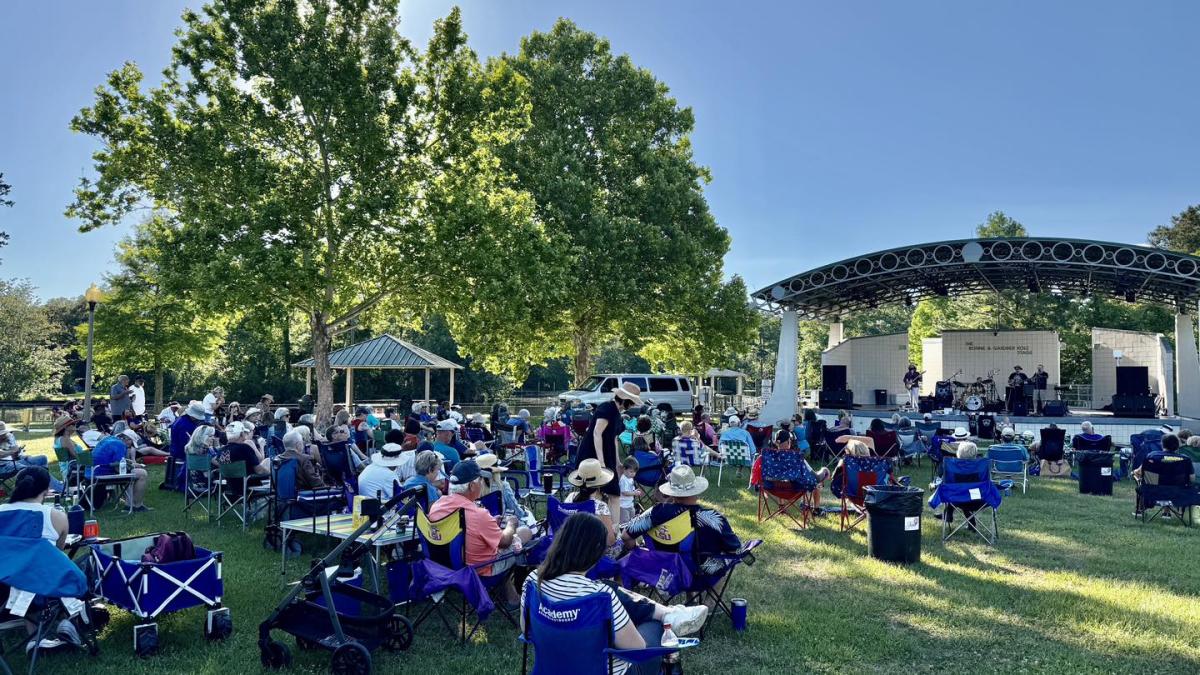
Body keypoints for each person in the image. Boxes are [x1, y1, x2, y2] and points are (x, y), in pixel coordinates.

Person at [521, 513, 708, 675]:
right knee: (657, 625)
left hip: (552, 668)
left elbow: (526, 630)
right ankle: (668, 616)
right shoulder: (601, 596)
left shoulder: (532, 581)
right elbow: (636, 649)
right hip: (607, 669)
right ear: (595, 553)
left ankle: (668, 613)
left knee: (610, 591)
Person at [428, 460, 533, 606]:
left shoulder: (437, 506)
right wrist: (511, 524)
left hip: (446, 569)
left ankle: (511, 596)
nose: (482, 483)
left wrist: (490, 525)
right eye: (480, 480)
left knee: (505, 544)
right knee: (524, 533)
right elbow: (504, 542)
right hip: (479, 571)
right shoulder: (477, 514)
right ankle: (517, 594)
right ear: (472, 486)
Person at [623, 465, 741, 576]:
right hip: (699, 575)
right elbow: (734, 548)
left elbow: (626, 536)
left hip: (663, 573)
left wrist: (637, 551)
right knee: (722, 559)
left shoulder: (655, 513)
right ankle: (709, 599)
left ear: (671, 493)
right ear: (697, 491)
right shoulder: (712, 518)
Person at [576, 382, 643, 530]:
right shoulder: (606, 408)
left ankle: (614, 529)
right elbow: (596, 433)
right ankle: (593, 528)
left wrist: (617, 461)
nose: (632, 406)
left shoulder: (617, 414)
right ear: (625, 400)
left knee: (614, 493)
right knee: (593, 493)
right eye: (631, 403)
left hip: (607, 455)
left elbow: (613, 438)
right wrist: (601, 462)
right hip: (591, 455)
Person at [1, 466, 69, 548]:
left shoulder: (2, 510)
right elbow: (58, 552)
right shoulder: (58, 517)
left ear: (17, 486)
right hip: (42, 559)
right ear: (47, 489)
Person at [94, 429, 151, 511]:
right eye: (131, 443)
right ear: (127, 439)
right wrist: (133, 466)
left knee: (131, 473)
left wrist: (129, 464)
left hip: (95, 470)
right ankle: (138, 505)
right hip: (103, 472)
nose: (130, 446)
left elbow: (116, 460)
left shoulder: (110, 439)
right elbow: (119, 468)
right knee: (142, 473)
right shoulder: (119, 445)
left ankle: (129, 504)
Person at [216, 421, 268, 491]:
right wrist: (271, 472)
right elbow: (260, 471)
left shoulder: (220, 451)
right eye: (244, 433)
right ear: (241, 434)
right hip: (249, 487)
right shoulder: (244, 448)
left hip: (230, 488)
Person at [618, 457, 642, 524]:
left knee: (632, 519)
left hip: (630, 504)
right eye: (631, 471)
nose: (633, 474)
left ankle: (631, 531)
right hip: (623, 506)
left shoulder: (630, 478)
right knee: (625, 522)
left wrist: (635, 490)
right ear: (624, 469)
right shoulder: (623, 480)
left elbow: (630, 489)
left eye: (635, 472)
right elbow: (624, 492)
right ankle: (624, 533)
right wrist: (634, 493)